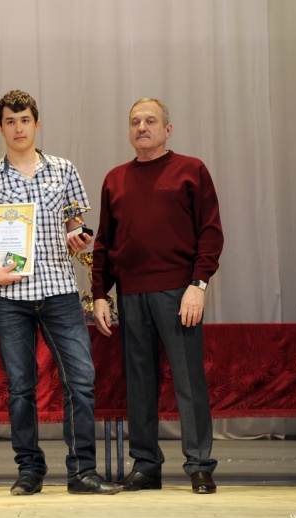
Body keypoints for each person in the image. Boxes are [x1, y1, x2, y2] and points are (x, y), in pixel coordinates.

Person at [0, 90, 122, 496]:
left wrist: (79, 235)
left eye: (25, 120)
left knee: (81, 380)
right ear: (0, 128)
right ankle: (29, 469)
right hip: (10, 298)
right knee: (21, 387)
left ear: (37, 123)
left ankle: (82, 471)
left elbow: (76, 223)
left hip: (60, 290)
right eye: (10, 122)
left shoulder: (63, 170)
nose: (19, 128)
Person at [91, 98, 224, 494]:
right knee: (139, 384)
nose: (142, 127)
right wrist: (100, 295)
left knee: (188, 382)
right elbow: (104, 243)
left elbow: (210, 233)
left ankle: (199, 464)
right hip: (131, 295)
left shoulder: (191, 170)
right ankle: (146, 465)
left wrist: (198, 286)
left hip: (179, 294)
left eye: (150, 121)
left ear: (168, 129)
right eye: (135, 121)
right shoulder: (115, 179)